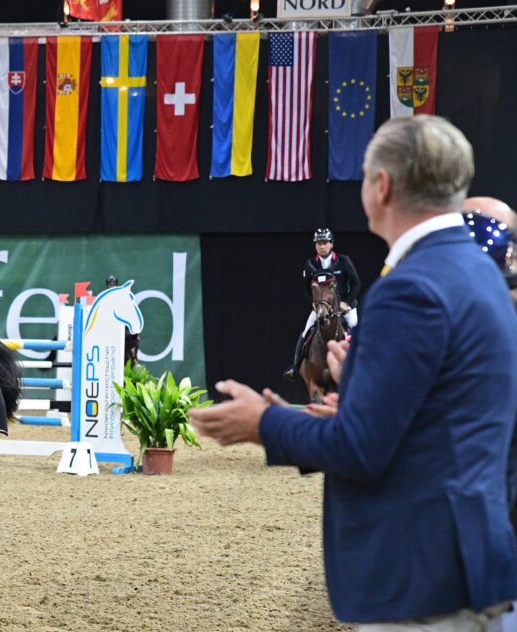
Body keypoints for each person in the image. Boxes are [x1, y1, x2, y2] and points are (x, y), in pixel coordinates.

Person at [189, 115, 517, 629]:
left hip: (422, 577)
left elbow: (363, 449)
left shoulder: (410, 287)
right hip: (460, 563)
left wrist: (264, 424)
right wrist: (358, 396)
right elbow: (433, 419)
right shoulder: (477, 271)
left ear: (381, 185)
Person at [282, 228, 361, 381]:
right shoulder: (310, 264)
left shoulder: (343, 261)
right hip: (322, 306)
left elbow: (356, 283)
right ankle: (295, 366)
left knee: (356, 329)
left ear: (331, 244)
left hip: (344, 306)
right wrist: (312, 302)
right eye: (318, 244)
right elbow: (306, 287)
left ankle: (365, 366)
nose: (321, 247)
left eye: (324, 243)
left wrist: (347, 303)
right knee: (306, 331)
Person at [105, 275, 140, 367]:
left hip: (127, 336)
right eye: (110, 286)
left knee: (131, 359)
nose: (112, 287)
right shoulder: (105, 299)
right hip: (112, 334)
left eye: (113, 285)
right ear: (107, 286)